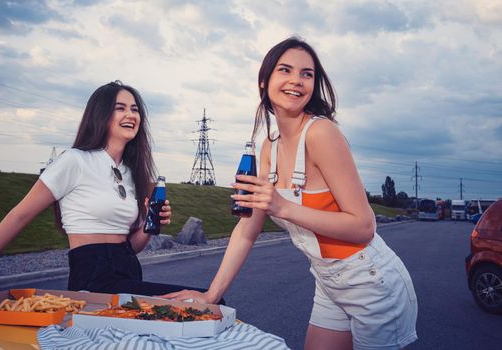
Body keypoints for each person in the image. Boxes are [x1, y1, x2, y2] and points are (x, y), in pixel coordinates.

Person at [162, 38, 418, 349]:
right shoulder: (269, 146)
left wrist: (282, 206)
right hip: (328, 283)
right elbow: (247, 229)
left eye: (307, 74)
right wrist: (210, 295)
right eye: (285, 70)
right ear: (264, 80)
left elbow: (363, 226)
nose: (296, 80)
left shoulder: (322, 133)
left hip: (371, 282)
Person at [0, 81, 212, 298]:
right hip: (93, 281)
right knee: (206, 303)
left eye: (135, 109)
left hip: (128, 272)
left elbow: (131, 248)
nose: (130, 115)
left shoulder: (132, 173)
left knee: (202, 303)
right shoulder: (75, 160)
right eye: (120, 108)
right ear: (101, 115)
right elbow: (19, 215)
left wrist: (148, 225)